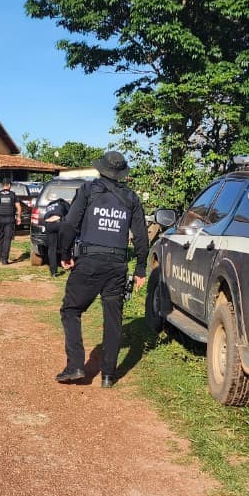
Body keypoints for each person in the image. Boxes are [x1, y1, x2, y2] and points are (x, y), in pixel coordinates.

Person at [55, 151, 148, 388]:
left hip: (89, 262)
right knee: (113, 320)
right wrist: (140, 269)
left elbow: (69, 224)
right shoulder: (131, 198)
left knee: (71, 310)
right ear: (122, 173)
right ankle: (108, 375)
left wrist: (64, 255)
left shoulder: (88, 190)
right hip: (117, 266)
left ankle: (76, 365)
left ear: (100, 169)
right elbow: (141, 237)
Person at [0, 179, 22, 264]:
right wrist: (18, 217)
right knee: (7, 239)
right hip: (10, 220)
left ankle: (0, 256)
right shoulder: (13, 195)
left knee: (0, 238)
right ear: (9, 185)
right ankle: (4, 259)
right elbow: (19, 207)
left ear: (3, 185)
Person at [40, 196, 72, 277]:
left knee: (51, 248)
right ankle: (66, 263)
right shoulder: (64, 204)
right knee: (65, 244)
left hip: (48, 224)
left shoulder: (50, 205)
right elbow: (70, 216)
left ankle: (53, 271)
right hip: (58, 223)